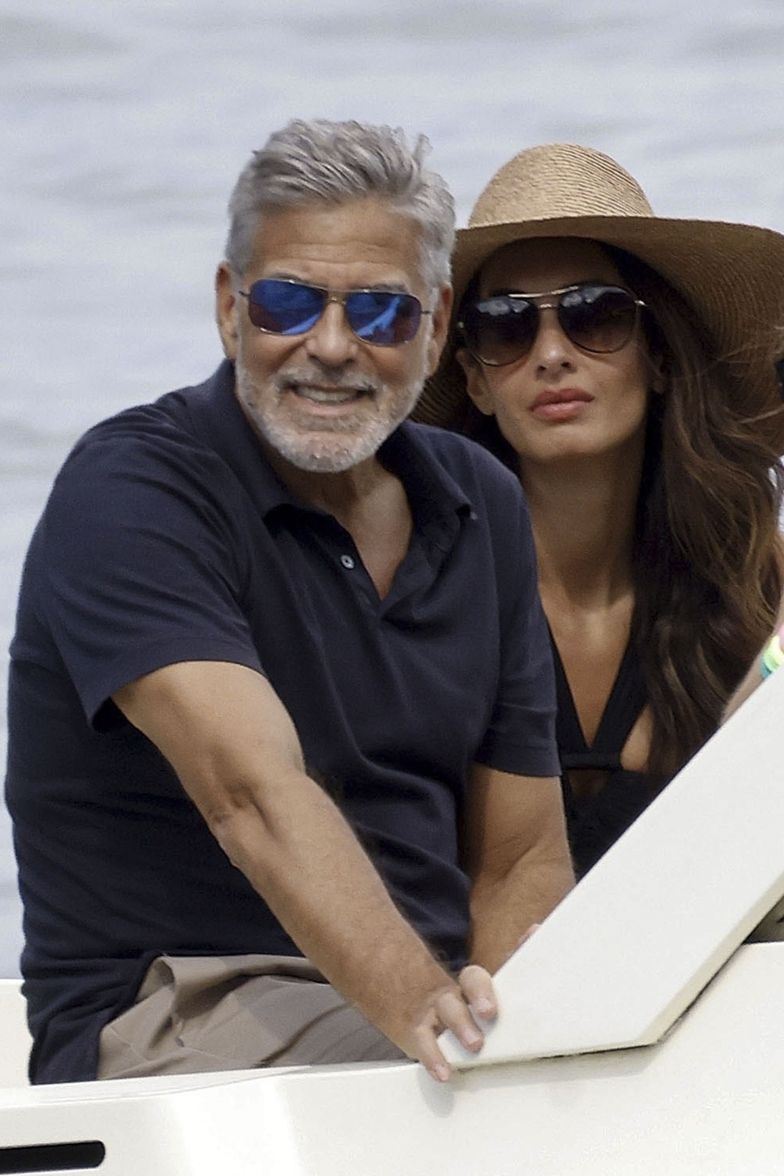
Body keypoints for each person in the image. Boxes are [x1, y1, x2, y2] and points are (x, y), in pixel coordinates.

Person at [5, 120, 574, 1086]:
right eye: (287, 303)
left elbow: (520, 857)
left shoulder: (480, 499)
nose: (332, 346)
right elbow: (253, 797)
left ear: (437, 324)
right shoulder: (134, 490)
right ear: (230, 309)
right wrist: (440, 1029)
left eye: (381, 313)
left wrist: (526, 1020)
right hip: (180, 1002)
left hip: (416, 1000)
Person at [414, 143, 784, 879]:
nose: (552, 353)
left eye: (596, 314)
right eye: (505, 325)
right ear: (475, 380)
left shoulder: (762, 580)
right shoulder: (417, 596)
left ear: (659, 357)